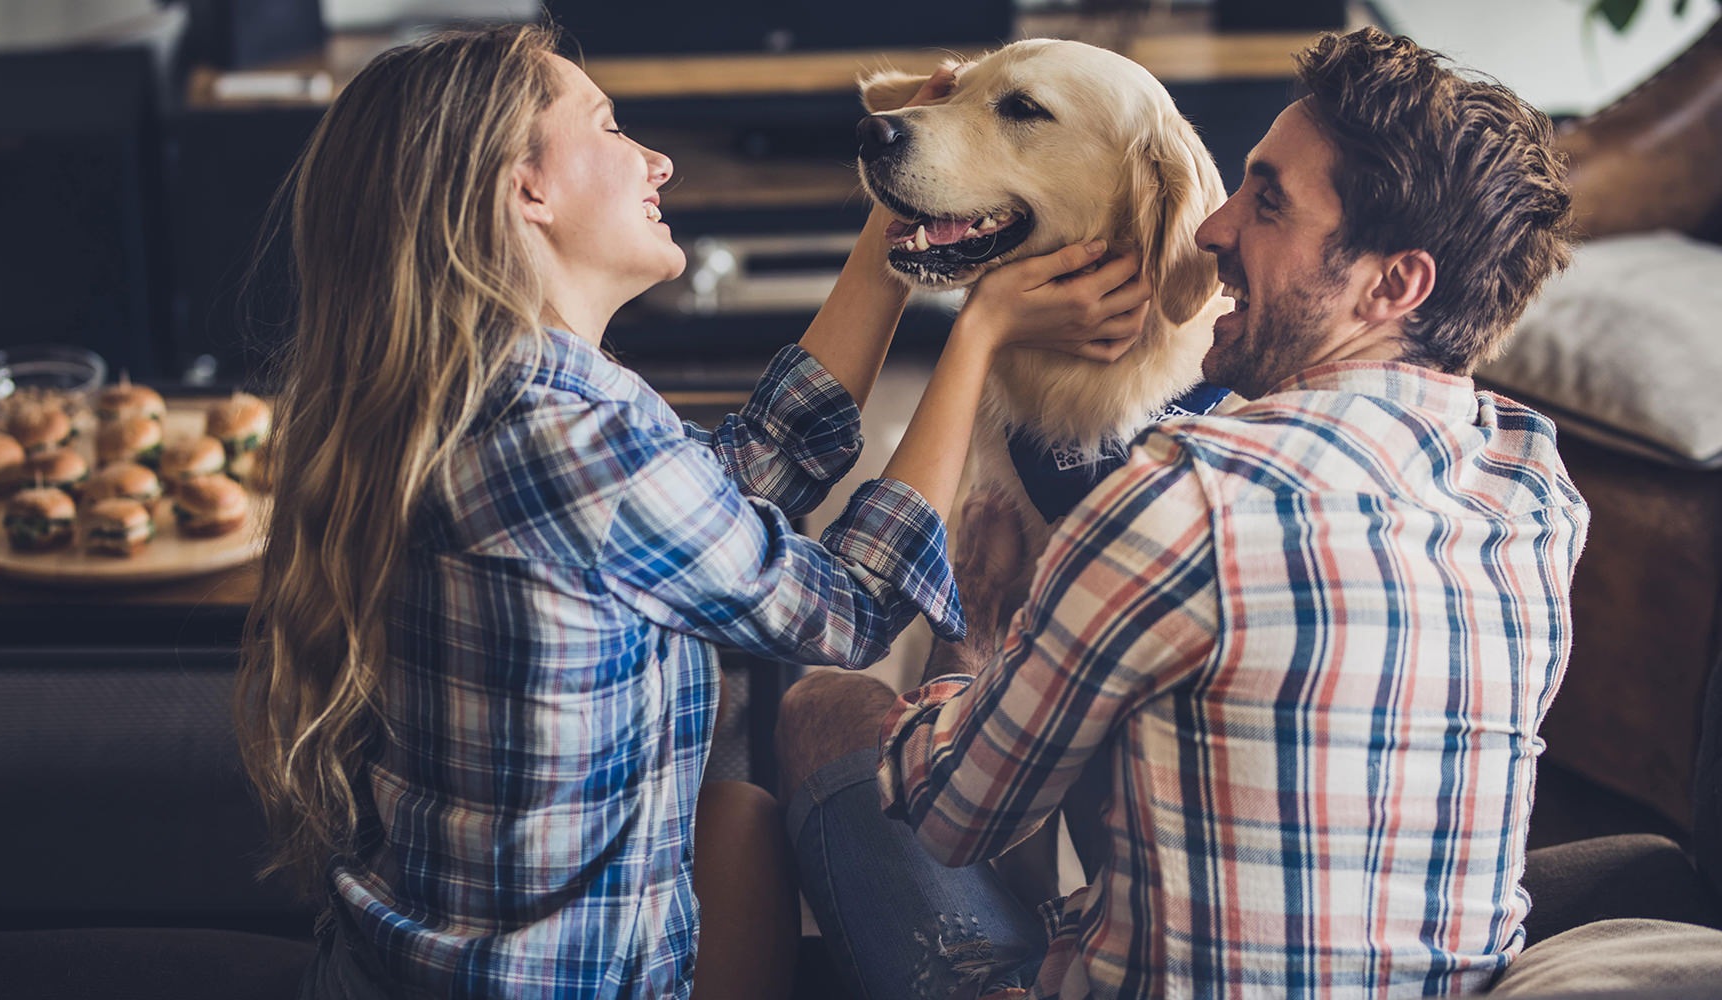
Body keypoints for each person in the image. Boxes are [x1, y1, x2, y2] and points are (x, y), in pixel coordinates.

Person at [230, 22, 1154, 1000]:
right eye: (610, 126)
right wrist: (977, 333)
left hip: (398, 962)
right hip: (540, 984)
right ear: (525, 187)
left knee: (737, 819)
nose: (657, 160)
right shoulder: (570, 449)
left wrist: (904, 232)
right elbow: (845, 609)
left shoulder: (500, 401)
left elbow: (746, 474)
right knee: (755, 803)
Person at [777, 25, 1589, 999]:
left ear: (1394, 284)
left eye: (1269, 204)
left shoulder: (1185, 499)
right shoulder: (1537, 490)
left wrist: (984, 642)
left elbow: (951, 811)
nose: (1211, 227)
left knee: (822, 704)